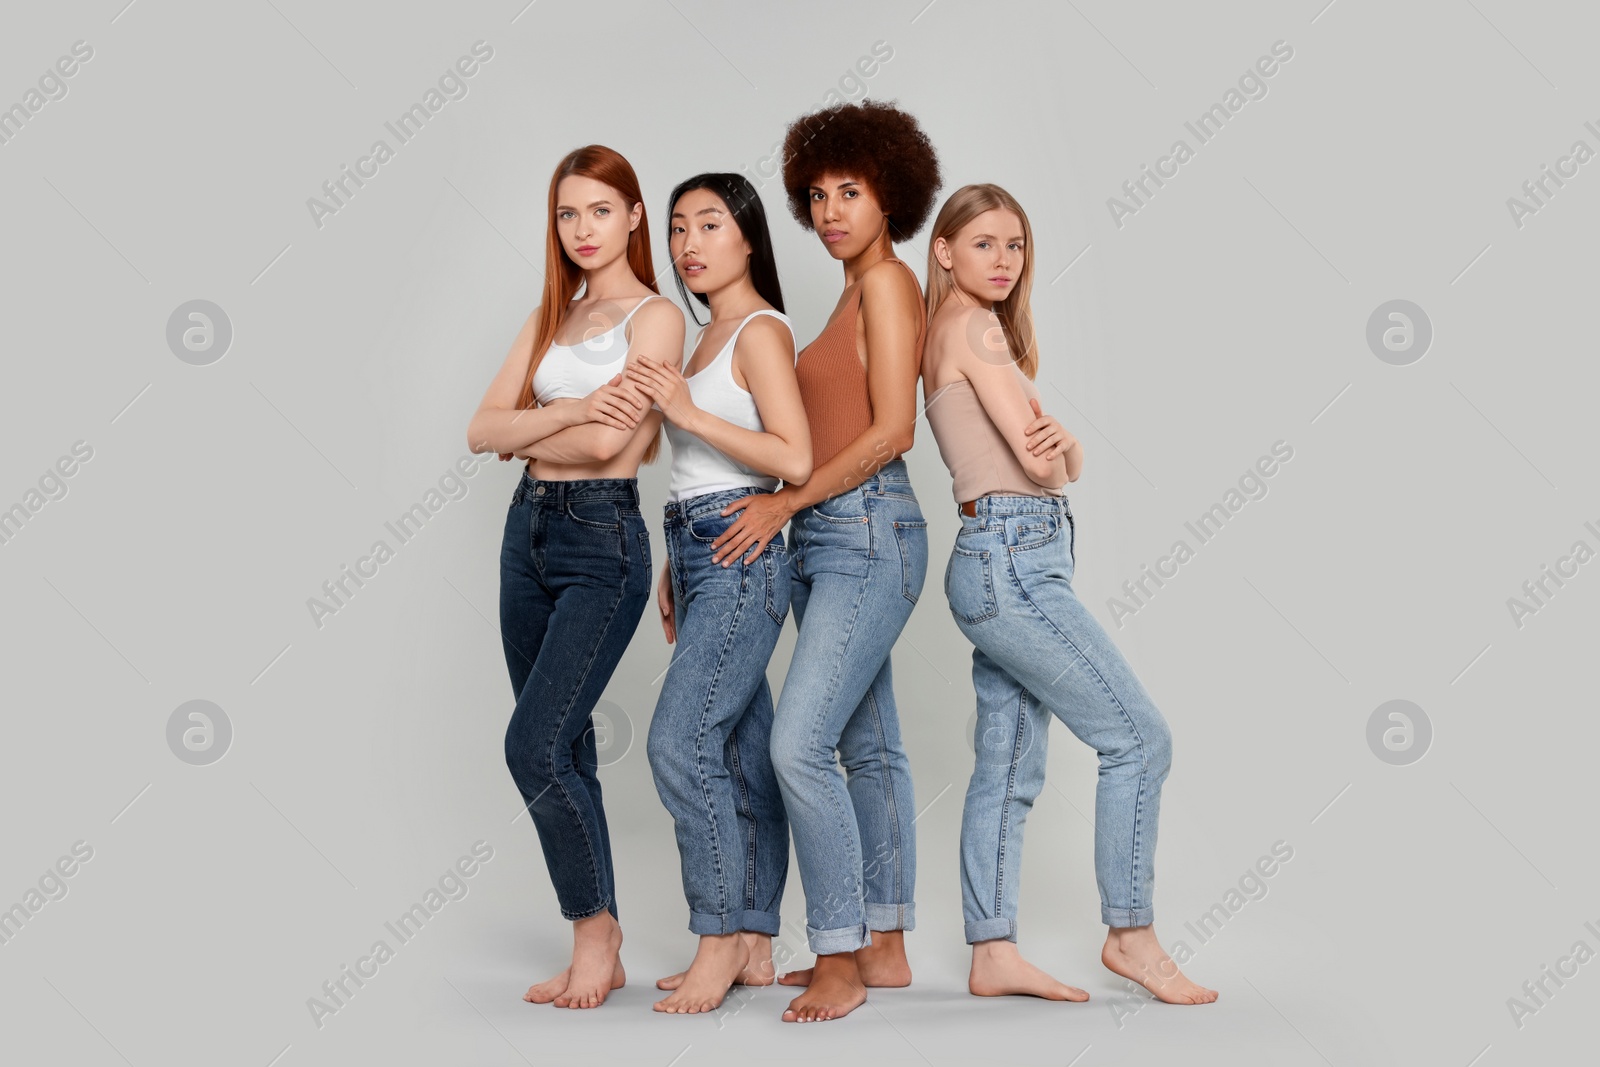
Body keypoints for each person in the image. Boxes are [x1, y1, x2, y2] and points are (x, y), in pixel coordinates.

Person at [920, 183, 1217, 1005]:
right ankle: (1132, 935)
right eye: (984, 243)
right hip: (1014, 558)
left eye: (1016, 244)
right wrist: (1070, 450)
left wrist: (1066, 453)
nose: (1005, 259)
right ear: (943, 251)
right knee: (1139, 739)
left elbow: (1051, 458)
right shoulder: (974, 328)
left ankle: (991, 950)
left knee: (1007, 765)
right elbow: (1046, 462)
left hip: (996, 556)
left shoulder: (951, 331)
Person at [706, 100, 942, 1022]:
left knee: (795, 744)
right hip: (828, 538)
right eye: (818, 194)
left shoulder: (887, 285)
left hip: (869, 529)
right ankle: (885, 945)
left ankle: (840, 949)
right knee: (868, 747)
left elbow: (893, 429)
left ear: (894, 193)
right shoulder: (849, 291)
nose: (834, 209)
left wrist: (787, 502)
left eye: (853, 190)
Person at [465, 144, 684, 1009]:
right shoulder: (551, 313)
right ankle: (598, 939)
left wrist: (533, 424)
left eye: (600, 210)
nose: (583, 229)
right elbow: (478, 429)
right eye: (567, 214)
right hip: (528, 533)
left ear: (634, 215)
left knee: (533, 744)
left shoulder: (657, 318)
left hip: (603, 538)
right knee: (568, 744)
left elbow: (609, 447)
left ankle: (597, 933)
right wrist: (564, 411)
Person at [621, 173, 812, 1014]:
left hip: (741, 546)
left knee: (678, 740)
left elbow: (794, 458)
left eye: (709, 224)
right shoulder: (700, 339)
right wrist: (673, 558)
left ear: (747, 237)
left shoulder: (761, 331)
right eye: (676, 228)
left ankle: (719, 934)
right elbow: (696, 469)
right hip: (695, 545)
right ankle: (760, 941)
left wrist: (687, 413)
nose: (689, 243)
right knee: (736, 745)